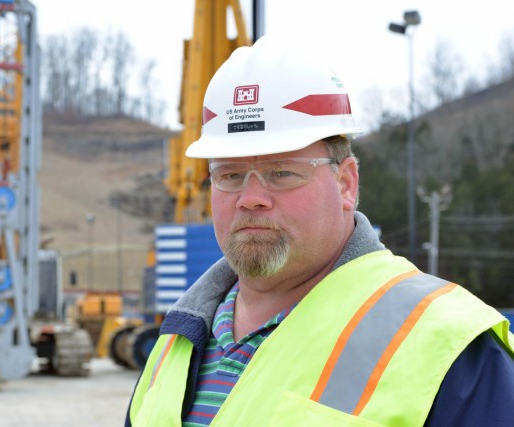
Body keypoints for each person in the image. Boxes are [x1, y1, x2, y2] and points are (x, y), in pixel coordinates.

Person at [125, 35, 514, 426]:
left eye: (281, 172)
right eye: (230, 174)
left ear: (346, 184)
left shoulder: (446, 344)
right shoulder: (176, 341)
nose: (250, 198)